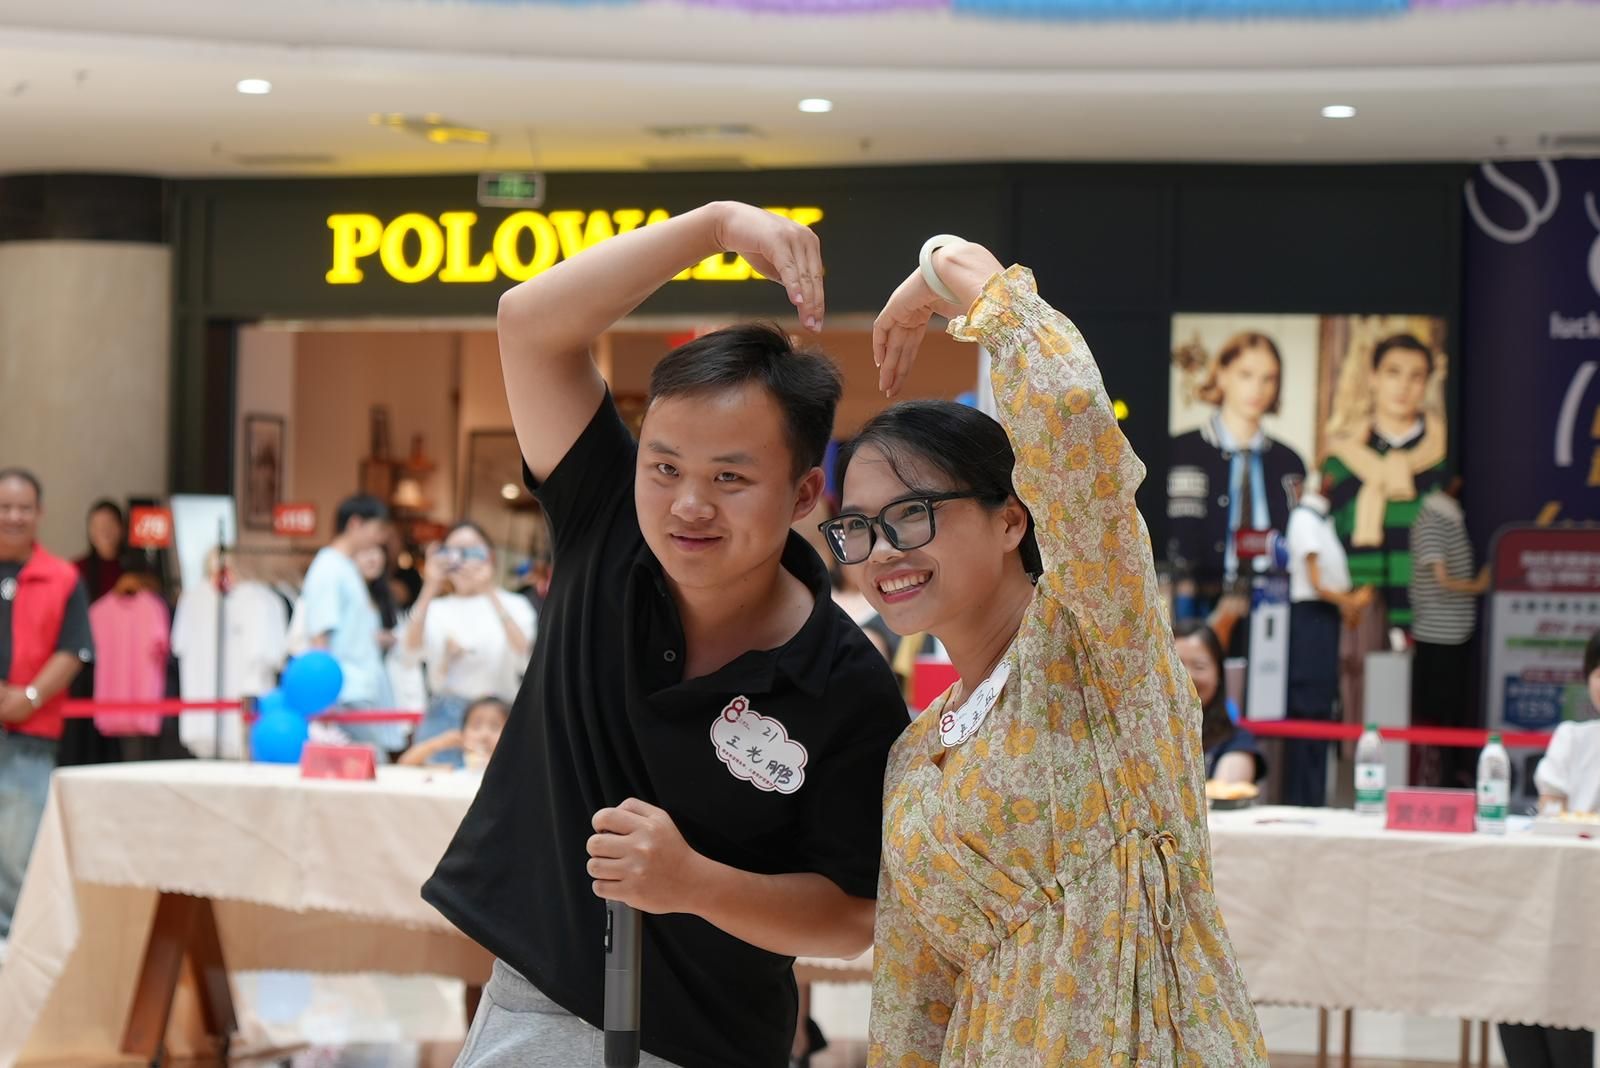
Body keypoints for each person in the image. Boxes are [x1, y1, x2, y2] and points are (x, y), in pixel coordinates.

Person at [423, 200, 907, 1068]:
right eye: (666, 466)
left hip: (712, 1044)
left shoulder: (845, 682)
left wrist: (692, 884)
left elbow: (851, 916)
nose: (688, 504)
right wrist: (714, 227)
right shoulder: (604, 521)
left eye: (729, 478)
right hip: (537, 1009)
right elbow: (528, 324)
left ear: (804, 495)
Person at [831, 241, 1265, 1063]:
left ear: (1010, 518)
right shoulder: (917, 754)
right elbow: (913, 1001)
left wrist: (944, 269)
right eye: (858, 526)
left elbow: (1069, 416)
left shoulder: (1098, 643)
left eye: (912, 513)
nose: (882, 549)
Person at [0, 469, 94, 944]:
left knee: (16, 857)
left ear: (39, 513)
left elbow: (75, 649)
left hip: (29, 740)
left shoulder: (63, 578)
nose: (13, 516)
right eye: (4, 507)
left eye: (23, 508)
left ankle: (12, 959)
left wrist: (30, 697)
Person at [1322, 333, 1450, 630]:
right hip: (1356, 623)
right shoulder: (1339, 463)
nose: (1403, 386)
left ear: (1427, 384)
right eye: (1393, 373)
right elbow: (1326, 548)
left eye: (1416, 376)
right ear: (1373, 377)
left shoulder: (1446, 459)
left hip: (1433, 621)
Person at [1167, 332, 1307, 600]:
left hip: (1273, 601)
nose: (1257, 388)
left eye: (1269, 378)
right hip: (1194, 601)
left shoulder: (1290, 462)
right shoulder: (1180, 451)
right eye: (1246, 375)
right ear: (1221, 375)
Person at [1284, 471, 1373, 807]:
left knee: (1322, 705)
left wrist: (1349, 604)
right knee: (1309, 705)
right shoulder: (1304, 519)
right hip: (1311, 618)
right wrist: (1351, 601)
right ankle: (1302, 799)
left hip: (1325, 616)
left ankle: (1315, 796)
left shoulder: (1322, 522)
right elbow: (1317, 582)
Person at [403, 522, 534, 747]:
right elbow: (409, 651)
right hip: (445, 716)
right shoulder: (436, 608)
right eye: (454, 551)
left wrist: (488, 591)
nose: (462, 559)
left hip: (497, 716)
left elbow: (526, 654)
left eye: (472, 550)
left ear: (490, 556)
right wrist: (430, 586)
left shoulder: (516, 604)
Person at [297, 496, 399, 757]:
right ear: (355, 524)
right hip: (345, 694)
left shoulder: (344, 567)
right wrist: (324, 699)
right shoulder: (329, 567)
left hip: (357, 690)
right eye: (377, 530)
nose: (380, 538)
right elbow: (320, 636)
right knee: (371, 764)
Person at [1408, 479, 1490, 789]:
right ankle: (1437, 782)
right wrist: (1478, 586)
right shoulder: (1432, 520)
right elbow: (1441, 577)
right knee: (1438, 714)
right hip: (1437, 634)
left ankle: (1451, 777)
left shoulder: (1449, 518)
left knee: (1453, 713)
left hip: (1455, 632)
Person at [1173, 620, 1266, 784]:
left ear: (1218, 675)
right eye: (1175, 666)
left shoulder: (1236, 741)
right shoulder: (1140, 735)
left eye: (1199, 666)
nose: (1186, 677)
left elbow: (1225, 790)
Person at [399, 695, 508, 771]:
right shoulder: (456, 767)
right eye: (476, 726)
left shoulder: (510, 769)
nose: (484, 734)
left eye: (495, 727)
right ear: (462, 733)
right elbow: (405, 764)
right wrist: (439, 743)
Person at [74, 499, 126, 603]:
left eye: (109, 524)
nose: (104, 530)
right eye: (97, 526)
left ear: (122, 528)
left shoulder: (135, 570)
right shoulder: (77, 569)